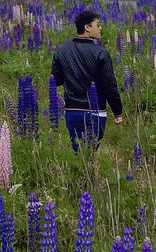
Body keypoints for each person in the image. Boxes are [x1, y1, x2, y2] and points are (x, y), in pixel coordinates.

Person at [51, 9, 123, 152]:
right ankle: (90, 174)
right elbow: (110, 85)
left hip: (72, 111)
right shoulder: (101, 53)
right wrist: (118, 112)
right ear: (87, 27)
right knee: (91, 153)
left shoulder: (61, 52)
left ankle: (81, 174)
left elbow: (56, 80)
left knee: (78, 153)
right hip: (96, 112)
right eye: (98, 24)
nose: (100, 27)